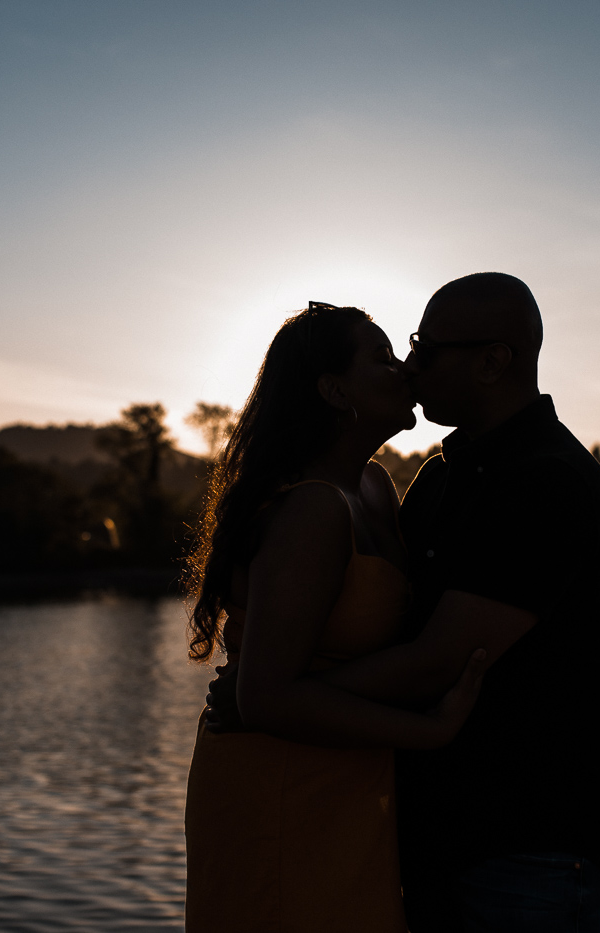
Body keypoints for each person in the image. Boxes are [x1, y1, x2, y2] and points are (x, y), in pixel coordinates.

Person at [314, 272, 600, 931]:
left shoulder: (548, 481)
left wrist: (286, 698)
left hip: (531, 854)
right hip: (435, 840)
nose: (410, 365)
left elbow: (442, 659)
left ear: (492, 361)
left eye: (427, 349)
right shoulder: (440, 477)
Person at [183, 302, 487, 933]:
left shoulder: (373, 487)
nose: (404, 368)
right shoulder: (313, 511)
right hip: (278, 784)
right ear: (333, 389)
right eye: (381, 357)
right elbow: (264, 698)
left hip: (348, 784)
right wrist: (428, 732)